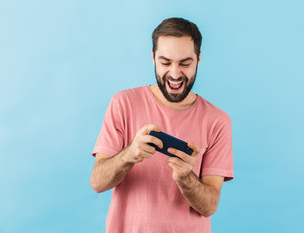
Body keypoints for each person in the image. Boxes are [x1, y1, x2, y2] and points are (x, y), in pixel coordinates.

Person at [90, 17, 234, 233]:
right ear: (153, 57)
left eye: (185, 63)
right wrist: (129, 154)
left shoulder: (218, 121)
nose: (175, 74)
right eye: (165, 62)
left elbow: (209, 206)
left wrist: (186, 178)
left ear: (199, 59)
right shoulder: (123, 104)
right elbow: (98, 183)